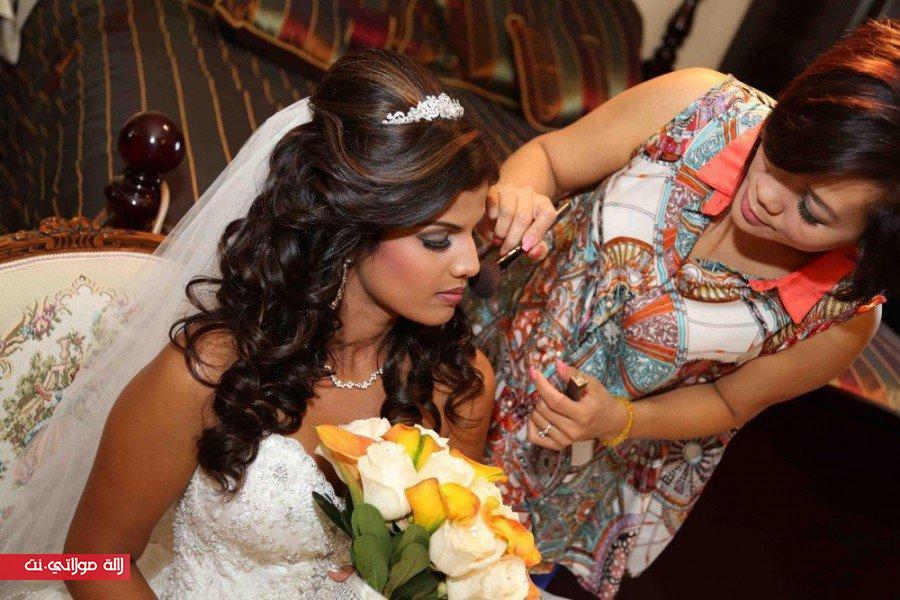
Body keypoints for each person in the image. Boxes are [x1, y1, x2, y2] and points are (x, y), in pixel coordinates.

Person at [0, 48, 548, 599]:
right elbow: (93, 559)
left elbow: (442, 574)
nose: (470, 264)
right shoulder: (208, 372)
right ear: (349, 227)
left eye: (473, 233)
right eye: (437, 240)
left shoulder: (458, 383)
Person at [467, 18, 897, 598]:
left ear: (870, 241)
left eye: (812, 212)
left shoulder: (842, 316)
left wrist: (618, 421)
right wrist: (519, 197)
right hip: (471, 352)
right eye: (781, 152)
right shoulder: (698, 106)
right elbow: (550, 158)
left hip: (567, 463)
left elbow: (728, 402)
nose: (768, 195)